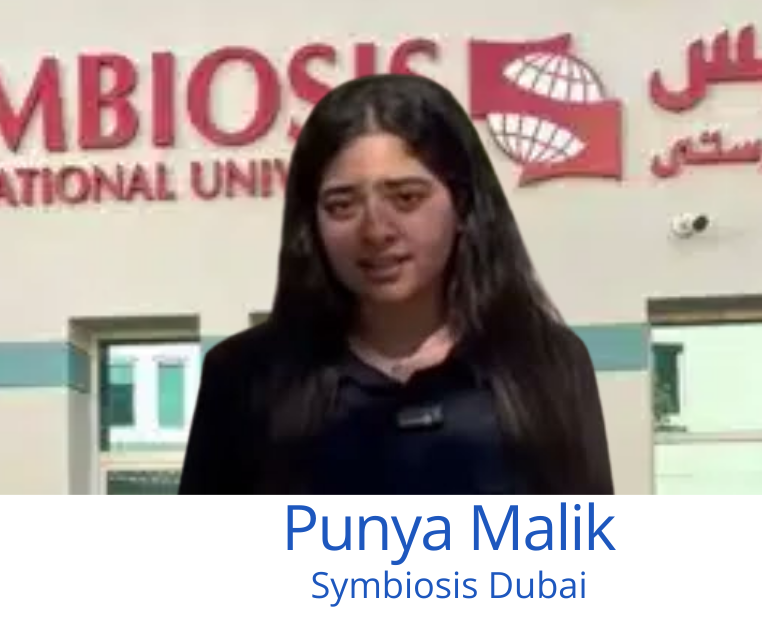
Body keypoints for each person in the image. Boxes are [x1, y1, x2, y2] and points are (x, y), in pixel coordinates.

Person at [178, 73, 614, 495]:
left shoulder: (546, 364)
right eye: (342, 205)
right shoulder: (243, 380)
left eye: (406, 198)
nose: (375, 231)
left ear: (462, 205)